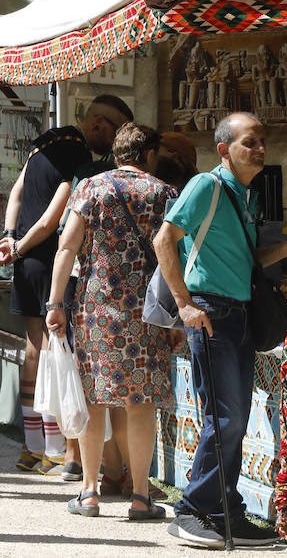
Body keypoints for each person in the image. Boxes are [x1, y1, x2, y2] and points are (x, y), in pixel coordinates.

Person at [152, 112, 287, 547]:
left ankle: (224, 510)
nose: (262, 149)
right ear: (225, 149)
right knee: (225, 417)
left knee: (236, 417)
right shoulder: (205, 186)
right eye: (251, 141)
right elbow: (163, 241)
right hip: (211, 313)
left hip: (237, 314)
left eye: (263, 140)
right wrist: (185, 305)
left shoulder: (243, 196)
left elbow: (246, 261)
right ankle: (195, 509)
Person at [0, 95, 131, 477]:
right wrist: (23, 245)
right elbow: (56, 215)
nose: (116, 140)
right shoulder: (75, 154)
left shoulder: (45, 143)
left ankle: (32, 447)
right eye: (116, 130)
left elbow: (17, 192)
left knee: (34, 348)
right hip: (51, 259)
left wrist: (10, 238)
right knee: (61, 350)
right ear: (99, 124)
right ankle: (61, 450)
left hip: (25, 258)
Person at [45, 123, 176, 519]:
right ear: (150, 155)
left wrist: (54, 303)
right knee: (140, 404)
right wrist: (179, 318)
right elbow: (175, 256)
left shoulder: (90, 188)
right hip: (148, 314)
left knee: (94, 398)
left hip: (96, 309)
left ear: (117, 153)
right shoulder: (164, 193)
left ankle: (89, 492)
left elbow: (66, 247)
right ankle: (140, 496)